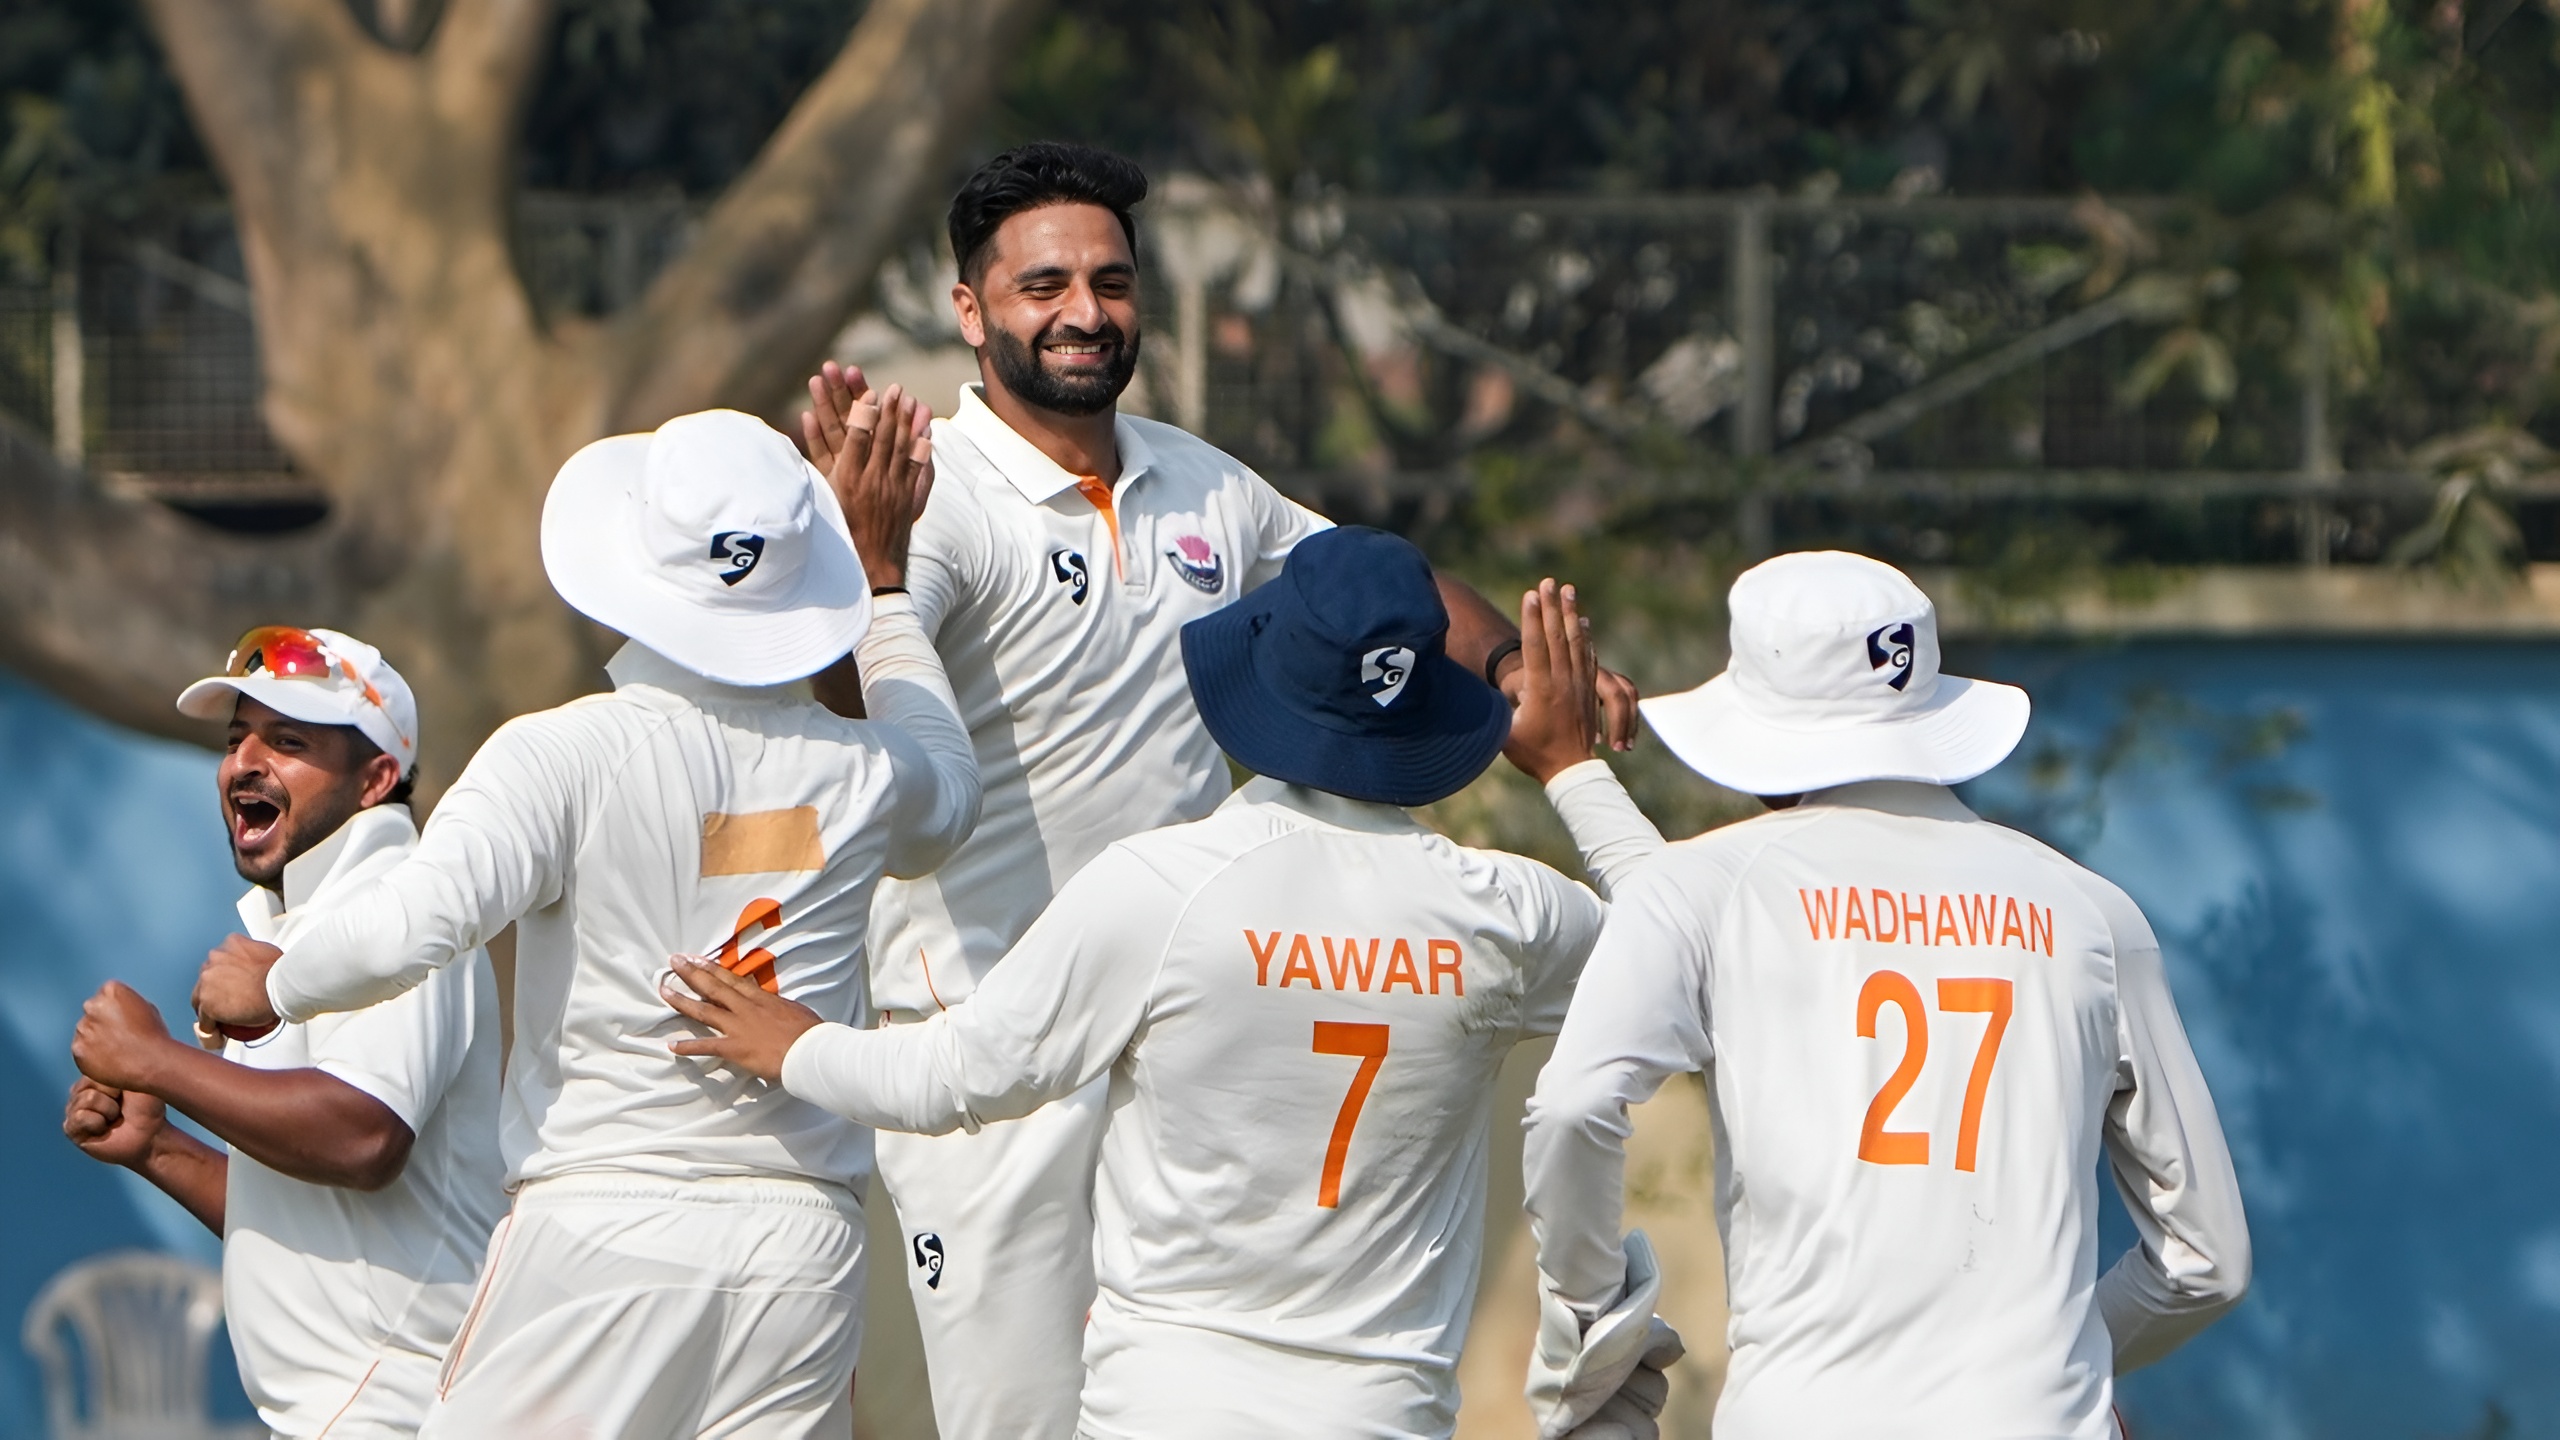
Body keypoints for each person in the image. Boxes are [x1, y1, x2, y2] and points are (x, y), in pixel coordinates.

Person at [795, 139, 1641, 1440]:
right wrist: (867, 572)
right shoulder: (940, 501)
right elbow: (862, 709)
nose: (1085, 313)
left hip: (1182, 1030)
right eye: (1044, 286)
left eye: (1113, 281)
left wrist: (1525, 670)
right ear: (970, 311)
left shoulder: (1204, 484)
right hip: (987, 1048)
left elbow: (1384, 590)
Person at [661, 527, 1671, 1440]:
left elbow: (952, 1078)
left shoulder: (1163, 885)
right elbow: (1682, 957)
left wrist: (793, 1045)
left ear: (1264, 677)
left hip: (1165, 1405)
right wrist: (1569, 766)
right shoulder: (1505, 913)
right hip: (1382, 1413)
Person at [189, 400, 980, 1439]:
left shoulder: (563, 751)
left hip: (606, 1226)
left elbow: (419, 920)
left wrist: (271, 984)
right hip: (803, 1248)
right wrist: (882, 587)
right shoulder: (867, 768)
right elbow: (953, 789)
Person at [1520, 551, 2251, 1440]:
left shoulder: (1715, 889)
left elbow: (1577, 1103)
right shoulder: (2093, 913)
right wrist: (2059, 1365)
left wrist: (1595, 1328)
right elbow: (2207, 1262)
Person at [63, 627, 505, 1438]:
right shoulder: (312, 923)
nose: (244, 763)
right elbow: (308, 1215)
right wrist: (159, 1149)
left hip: (399, 1415)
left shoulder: (400, 906)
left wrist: (156, 1063)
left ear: (377, 778)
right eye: (237, 740)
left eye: (288, 740)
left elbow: (363, 1140)